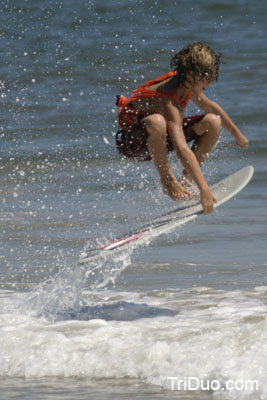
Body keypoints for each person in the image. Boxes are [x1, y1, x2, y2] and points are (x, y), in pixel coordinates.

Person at [115, 42, 248, 215]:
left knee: (213, 122)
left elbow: (211, 108)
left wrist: (237, 134)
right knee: (157, 122)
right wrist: (204, 190)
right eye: (207, 76)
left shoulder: (185, 82)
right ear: (191, 75)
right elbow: (182, 149)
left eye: (212, 75)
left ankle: (186, 182)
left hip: (160, 139)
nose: (210, 81)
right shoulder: (169, 102)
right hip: (133, 144)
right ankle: (168, 181)